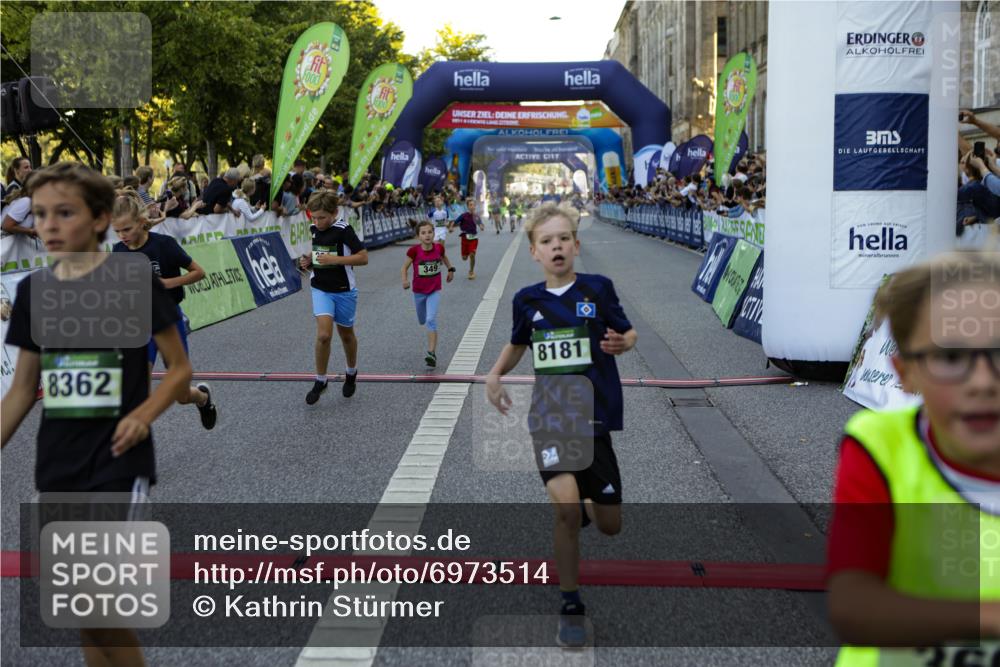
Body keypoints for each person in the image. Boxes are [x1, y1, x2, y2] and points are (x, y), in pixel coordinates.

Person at [1, 162, 194, 667]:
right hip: (56, 462)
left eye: (64, 213)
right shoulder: (34, 291)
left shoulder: (133, 282)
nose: (49, 225)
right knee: (80, 608)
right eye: (41, 214)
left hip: (118, 460)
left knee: (95, 601)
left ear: (100, 219)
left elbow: (179, 370)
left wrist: (144, 415)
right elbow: (21, 391)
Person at [826, 251, 1000, 665]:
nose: (983, 381)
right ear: (904, 373)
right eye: (950, 358)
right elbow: (853, 607)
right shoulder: (880, 446)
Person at [485, 201, 637, 649]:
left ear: (576, 245)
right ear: (534, 251)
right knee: (566, 509)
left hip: (595, 418)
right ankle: (571, 604)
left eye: (564, 239)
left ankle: (591, 505)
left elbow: (628, 332)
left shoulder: (598, 289)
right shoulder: (526, 300)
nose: (557, 247)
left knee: (609, 524)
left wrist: (623, 343)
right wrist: (495, 374)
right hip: (550, 418)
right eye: (547, 241)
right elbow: (518, 344)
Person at [111, 191, 217, 430]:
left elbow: (199, 272)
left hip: (169, 321)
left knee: (181, 396)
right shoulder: (118, 251)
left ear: (141, 221)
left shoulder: (164, 245)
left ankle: (202, 398)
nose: (122, 236)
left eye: (126, 229)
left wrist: (166, 284)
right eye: (117, 231)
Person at [298, 191, 368, 404]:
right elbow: (320, 253)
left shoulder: (344, 230)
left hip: (344, 290)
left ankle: (351, 372)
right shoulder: (314, 228)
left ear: (334, 213)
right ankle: (321, 380)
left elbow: (363, 258)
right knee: (324, 335)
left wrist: (334, 260)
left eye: (322, 218)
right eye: (314, 217)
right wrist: (310, 260)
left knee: (346, 335)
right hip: (321, 288)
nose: (317, 222)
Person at [401, 220, 455, 367]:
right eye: (423, 233)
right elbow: (404, 267)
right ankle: (425, 324)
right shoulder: (414, 251)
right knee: (422, 320)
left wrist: (450, 269)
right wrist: (405, 280)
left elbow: (444, 258)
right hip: (419, 292)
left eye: (430, 232)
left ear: (434, 233)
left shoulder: (439, 248)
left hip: (434, 291)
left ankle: (431, 353)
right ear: (418, 236)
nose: (427, 235)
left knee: (431, 319)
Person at [448, 197, 485, 280]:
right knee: (464, 258)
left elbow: (480, 224)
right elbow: (454, 222)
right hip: (464, 238)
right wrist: (451, 227)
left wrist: (482, 226)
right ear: (468, 206)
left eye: (473, 205)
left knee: (472, 254)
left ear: (475, 206)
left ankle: (471, 271)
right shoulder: (463, 216)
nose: (472, 207)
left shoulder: (476, 216)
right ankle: (467, 252)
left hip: (473, 238)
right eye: (470, 205)